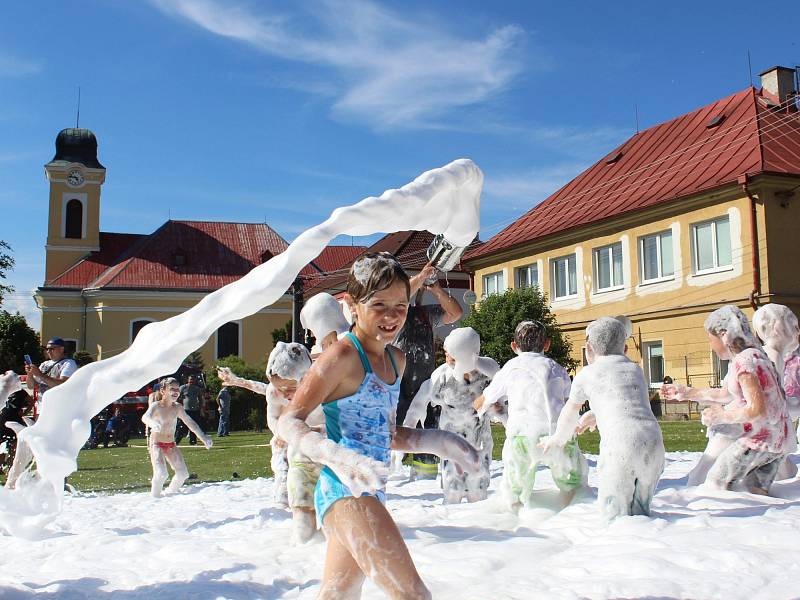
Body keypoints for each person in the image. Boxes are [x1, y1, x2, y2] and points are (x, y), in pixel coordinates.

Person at [277, 252, 480, 599]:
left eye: (400, 304)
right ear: (353, 306)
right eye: (379, 304)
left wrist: (437, 441)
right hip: (344, 490)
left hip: (372, 489)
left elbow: (386, 434)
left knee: (338, 594)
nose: (392, 316)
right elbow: (288, 421)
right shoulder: (341, 356)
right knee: (412, 594)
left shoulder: (395, 360)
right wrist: (333, 454)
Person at [542, 317, 665, 521]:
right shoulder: (635, 370)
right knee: (642, 513)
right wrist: (593, 416)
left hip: (620, 447)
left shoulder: (587, 374)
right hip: (654, 445)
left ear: (588, 349)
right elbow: (628, 407)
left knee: (613, 514)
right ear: (625, 348)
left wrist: (557, 438)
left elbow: (569, 413)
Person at [663, 306, 793, 494]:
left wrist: (722, 416)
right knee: (756, 492)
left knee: (716, 485)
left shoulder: (745, 362)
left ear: (724, 335)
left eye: (710, 339)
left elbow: (757, 410)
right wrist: (688, 393)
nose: (711, 345)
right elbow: (727, 394)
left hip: (759, 440)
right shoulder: (755, 356)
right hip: (778, 441)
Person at [474, 320, 586, 512]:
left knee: (515, 490)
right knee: (573, 485)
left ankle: (515, 521)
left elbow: (484, 400)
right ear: (547, 344)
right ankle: (574, 517)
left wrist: (475, 410)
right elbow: (570, 403)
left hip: (522, 438)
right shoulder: (556, 368)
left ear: (514, 346)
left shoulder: (510, 368)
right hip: (558, 436)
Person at [218, 342, 323, 543]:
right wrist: (283, 433)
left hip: (316, 438)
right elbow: (273, 418)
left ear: (305, 377)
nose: (285, 394)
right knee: (284, 471)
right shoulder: (274, 392)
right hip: (289, 439)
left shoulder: (320, 388)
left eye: (290, 388)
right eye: (279, 388)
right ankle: (282, 510)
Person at [404, 327, 499, 503]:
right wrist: (406, 433)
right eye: (447, 353)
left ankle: (480, 529)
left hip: (479, 442)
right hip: (451, 444)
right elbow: (417, 405)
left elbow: (505, 398)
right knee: (453, 492)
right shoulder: (441, 377)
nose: (446, 357)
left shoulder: (488, 374)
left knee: (478, 493)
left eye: (451, 355)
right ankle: (451, 526)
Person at [395, 262, 463, 479]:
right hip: (397, 385)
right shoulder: (392, 313)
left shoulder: (426, 313)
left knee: (428, 436)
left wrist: (436, 289)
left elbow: (455, 312)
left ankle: (424, 478)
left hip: (426, 385)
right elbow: (400, 297)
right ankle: (391, 476)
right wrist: (422, 275)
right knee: (394, 435)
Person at [6, 338, 78, 489]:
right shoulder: (44, 365)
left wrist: (41, 375)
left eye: (52, 348)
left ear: (62, 349)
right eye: (48, 349)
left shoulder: (68, 364)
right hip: (42, 410)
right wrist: (31, 375)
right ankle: (43, 479)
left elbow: (63, 384)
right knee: (40, 446)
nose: (49, 351)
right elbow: (32, 386)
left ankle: (59, 482)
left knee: (55, 447)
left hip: (58, 411)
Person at [141, 377, 212, 497]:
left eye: (177, 389)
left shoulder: (177, 407)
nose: (176, 392)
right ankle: (155, 496)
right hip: (156, 443)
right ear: (163, 391)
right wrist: (153, 424)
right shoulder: (156, 406)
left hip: (171, 444)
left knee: (183, 474)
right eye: (172, 389)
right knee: (161, 473)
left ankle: (171, 492)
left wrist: (203, 437)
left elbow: (190, 423)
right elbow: (145, 417)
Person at [176, 374, 204, 445]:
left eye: (193, 379)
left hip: (194, 410)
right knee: (181, 427)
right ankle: (176, 441)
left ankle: (193, 441)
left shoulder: (197, 389)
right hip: (185, 410)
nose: (192, 381)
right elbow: (176, 397)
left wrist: (201, 408)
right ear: (188, 380)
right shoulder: (183, 388)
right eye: (190, 379)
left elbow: (200, 399)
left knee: (194, 426)